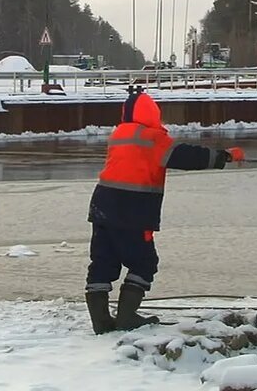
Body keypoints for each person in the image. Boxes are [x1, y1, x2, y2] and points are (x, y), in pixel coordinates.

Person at [84, 92, 245, 334]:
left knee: (103, 261)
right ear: (152, 113)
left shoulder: (119, 134)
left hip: (102, 206)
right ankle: (127, 317)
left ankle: (101, 321)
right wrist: (225, 156)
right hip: (133, 210)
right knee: (144, 262)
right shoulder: (151, 137)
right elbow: (186, 156)